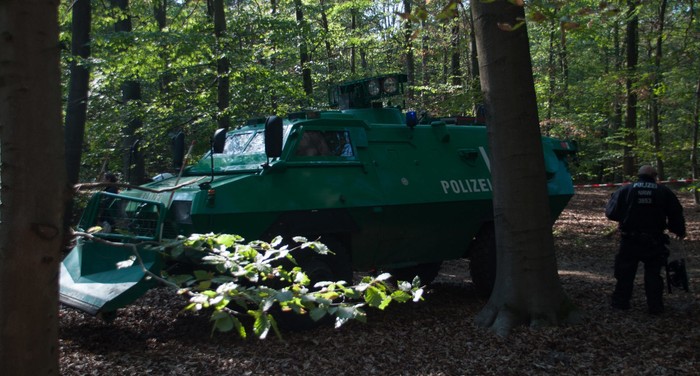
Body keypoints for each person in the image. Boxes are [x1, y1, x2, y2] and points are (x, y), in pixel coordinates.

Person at [605, 165, 686, 315]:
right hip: (654, 240)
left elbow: (611, 212)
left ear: (639, 175)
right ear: (654, 176)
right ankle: (655, 306)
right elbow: (675, 213)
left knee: (625, 273)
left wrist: (626, 217)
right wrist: (679, 230)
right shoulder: (663, 191)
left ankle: (620, 303)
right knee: (654, 274)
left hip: (630, 239)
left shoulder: (625, 190)